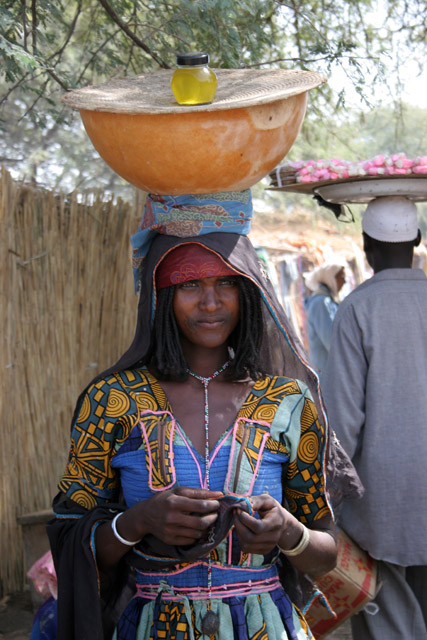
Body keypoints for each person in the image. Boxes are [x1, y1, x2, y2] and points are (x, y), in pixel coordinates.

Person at [46, 190, 343, 640]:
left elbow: (326, 554)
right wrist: (137, 522)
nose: (211, 302)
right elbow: (69, 537)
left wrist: (288, 532)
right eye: (189, 285)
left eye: (226, 283)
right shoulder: (113, 400)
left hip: (266, 627)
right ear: (161, 295)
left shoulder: (289, 402)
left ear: (248, 291)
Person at [322, 194, 427, 640]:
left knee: (392, 618)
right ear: (417, 241)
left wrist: (326, 496)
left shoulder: (356, 309)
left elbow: (341, 419)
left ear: (366, 246)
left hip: (384, 499)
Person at [303, 261, 346, 374]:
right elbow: (332, 342)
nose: (345, 281)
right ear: (330, 278)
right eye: (341, 277)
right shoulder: (321, 303)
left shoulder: (328, 301)